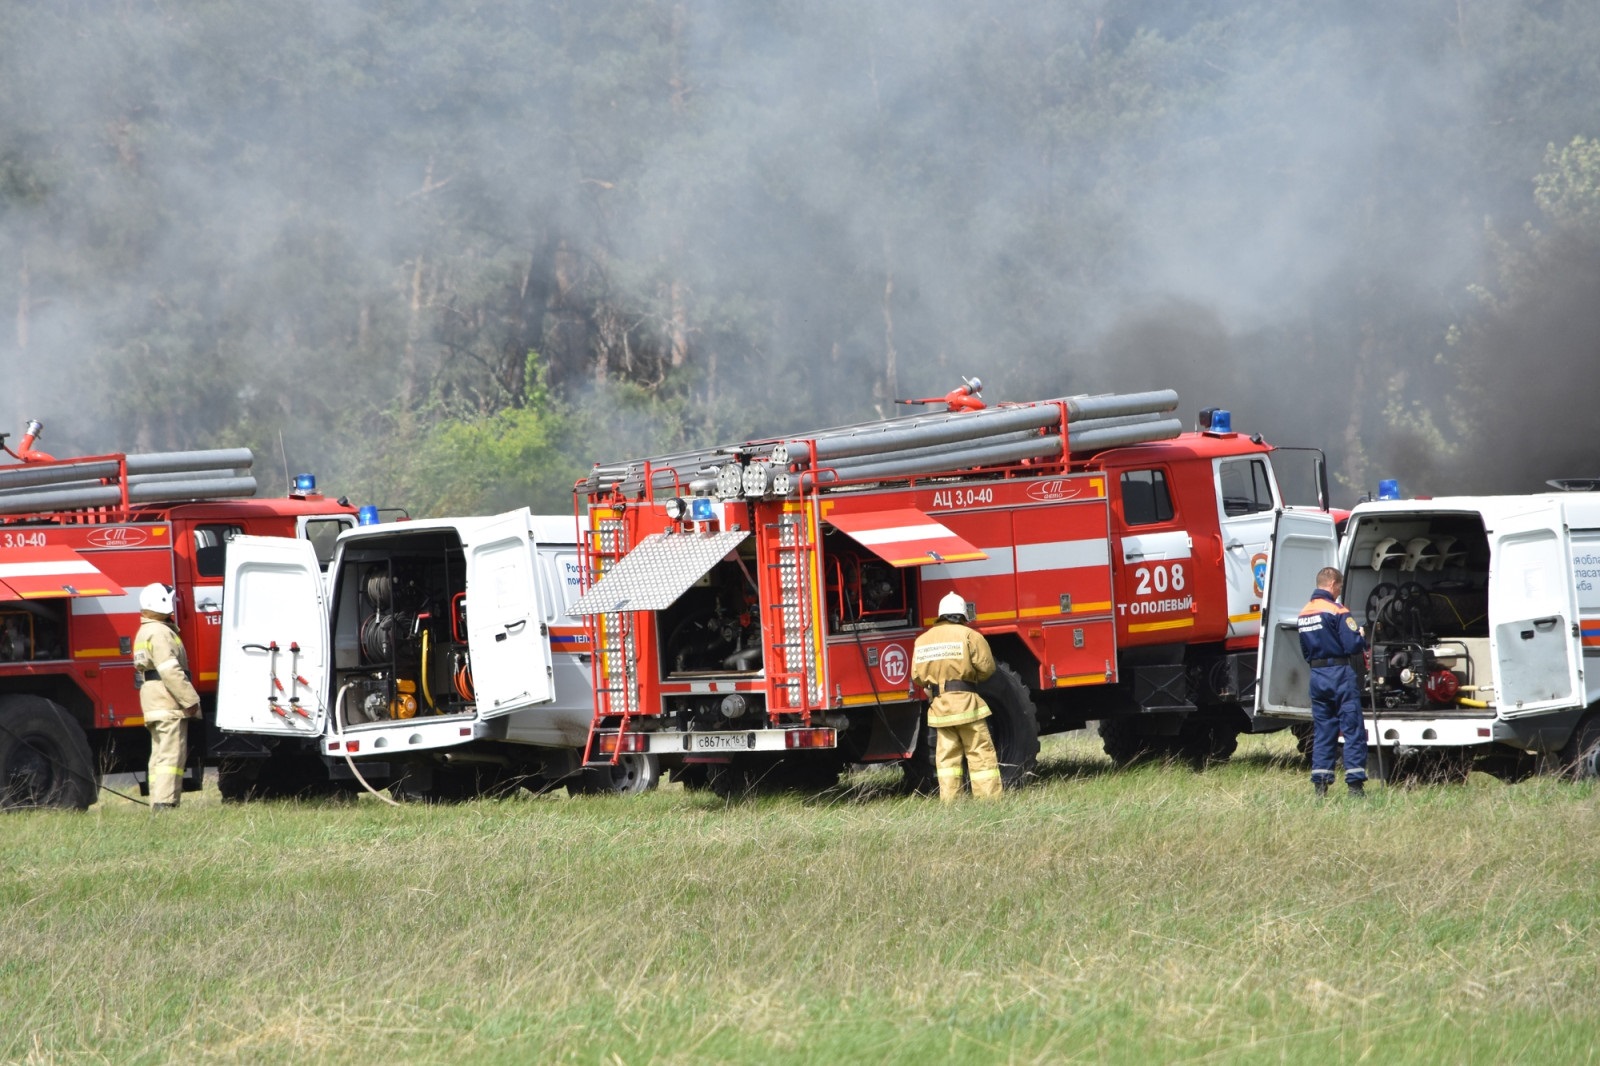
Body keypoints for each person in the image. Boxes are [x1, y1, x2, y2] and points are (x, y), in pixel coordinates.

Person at [912, 590, 1001, 802]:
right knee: (980, 753)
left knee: (947, 760)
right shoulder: (970, 636)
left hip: (941, 709)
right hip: (967, 705)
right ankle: (989, 801)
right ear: (961, 615)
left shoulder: (923, 640)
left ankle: (951, 803)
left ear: (941, 615)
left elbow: (917, 676)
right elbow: (987, 668)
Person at [1298, 567, 1368, 798]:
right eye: (1339, 587)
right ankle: (1355, 786)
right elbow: (1352, 646)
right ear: (1332, 584)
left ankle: (1320, 786)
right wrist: (1361, 636)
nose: (1339, 592)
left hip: (1317, 676)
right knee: (1352, 728)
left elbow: (1306, 651)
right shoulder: (1337, 610)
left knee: (1323, 730)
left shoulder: (1304, 612)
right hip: (1339, 674)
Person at [133, 583, 201, 810]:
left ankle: (157, 802)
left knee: (159, 757)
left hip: (154, 701)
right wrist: (190, 700)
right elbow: (170, 670)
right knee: (171, 757)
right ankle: (165, 804)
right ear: (161, 603)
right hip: (168, 701)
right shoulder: (161, 632)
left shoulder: (145, 631)